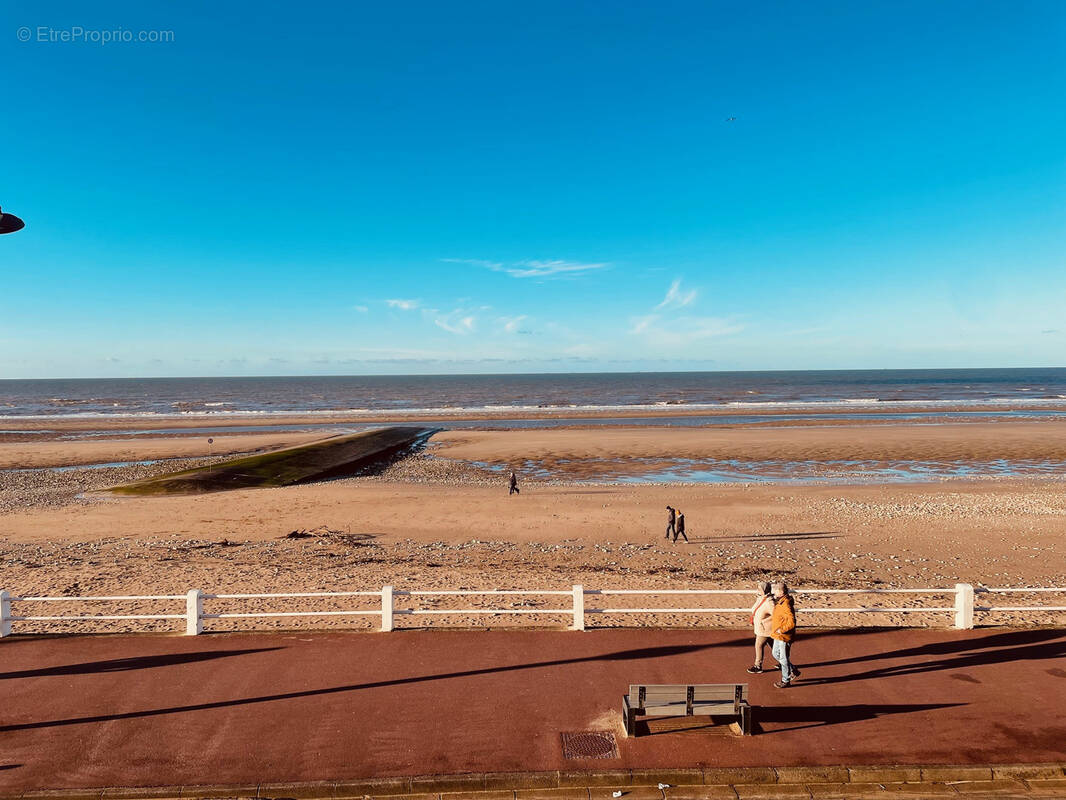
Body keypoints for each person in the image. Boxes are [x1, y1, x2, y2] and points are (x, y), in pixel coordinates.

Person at [769, 581, 801, 687]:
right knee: (775, 654)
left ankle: (785, 680)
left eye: (775, 591)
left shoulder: (786, 604)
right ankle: (793, 669)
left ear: (781, 592)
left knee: (783, 658)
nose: (774, 592)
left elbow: (792, 622)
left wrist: (782, 630)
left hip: (783, 635)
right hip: (777, 635)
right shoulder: (780, 601)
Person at [746, 582, 773, 673]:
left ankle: (758, 666)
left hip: (765, 629)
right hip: (762, 628)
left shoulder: (769, 602)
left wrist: (765, 621)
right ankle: (784, 663)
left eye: (759, 589)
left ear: (765, 590)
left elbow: (775, 614)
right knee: (774, 647)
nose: (757, 590)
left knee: (759, 645)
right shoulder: (761, 599)